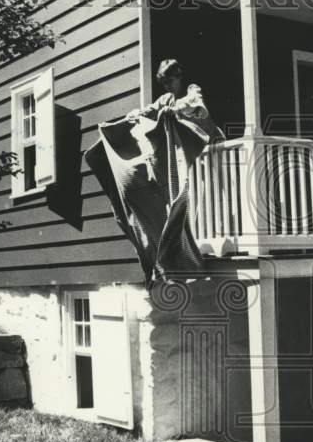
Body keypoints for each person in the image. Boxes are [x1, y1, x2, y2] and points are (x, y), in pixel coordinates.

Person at [84, 58, 221, 288]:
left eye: (169, 82)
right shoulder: (165, 99)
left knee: (209, 198)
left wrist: (175, 109)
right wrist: (134, 115)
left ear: (178, 77)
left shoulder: (191, 91)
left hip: (208, 151)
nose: (167, 87)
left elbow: (196, 108)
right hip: (189, 160)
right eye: (164, 84)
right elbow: (151, 110)